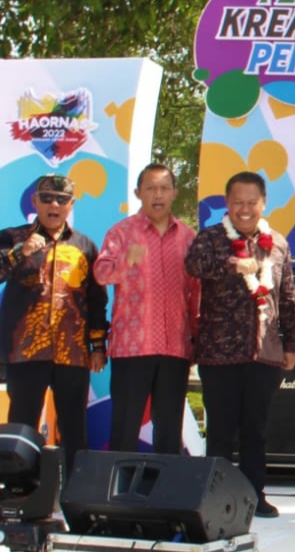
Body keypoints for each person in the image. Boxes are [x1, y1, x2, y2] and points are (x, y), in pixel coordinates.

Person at [185, 171, 295, 518]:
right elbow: (193, 265)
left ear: (264, 203)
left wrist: (291, 344)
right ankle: (215, 500)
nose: (245, 209)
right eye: (238, 203)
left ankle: (253, 496)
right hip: (219, 354)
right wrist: (231, 265)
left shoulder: (278, 244)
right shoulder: (210, 238)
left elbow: (287, 296)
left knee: (255, 429)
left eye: (252, 202)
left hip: (264, 353)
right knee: (220, 431)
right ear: (227, 203)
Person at [0, 173, 109, 474]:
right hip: (25, 351)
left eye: (62, 200)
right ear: (35, 201)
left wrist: (97, 346)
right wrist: (20, 252)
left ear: (71, 204)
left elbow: (96, 300)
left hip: (72, 352)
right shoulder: (11, 237)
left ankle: (76, 487)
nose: (54, 205)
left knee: (74, 425)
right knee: (22, 424)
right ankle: (20, 486)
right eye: (47, 198)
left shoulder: (85, 246)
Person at [94, 163, 199, 454]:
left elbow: (195, 292)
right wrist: (126, 261)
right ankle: (118, 482)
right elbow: (101, 274)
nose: (158, 195)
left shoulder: (188, 237)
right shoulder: (121, 233)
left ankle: (166, 483)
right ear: (138, 192)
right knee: (125, 426)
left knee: (169, 430)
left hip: (174, 346)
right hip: (132, 347)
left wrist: (196, 337)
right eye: (151, 188)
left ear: (175, 193)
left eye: (164, 188)